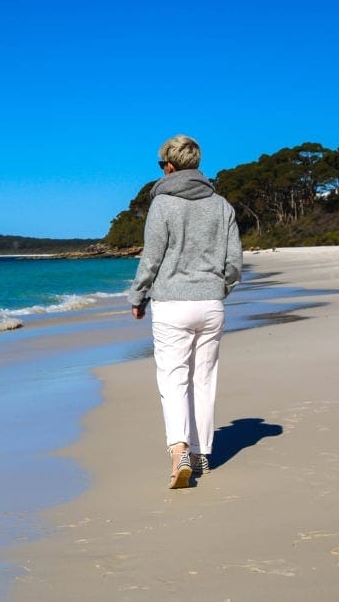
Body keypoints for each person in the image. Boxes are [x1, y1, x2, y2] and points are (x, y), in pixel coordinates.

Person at [128, 134, 243, 489]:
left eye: (162, 163)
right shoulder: (221, 205)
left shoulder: (162, 204)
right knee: (203, 378)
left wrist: (138, 296)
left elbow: (152, 258)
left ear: (171, 165)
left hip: (171, 305)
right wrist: (217, 290)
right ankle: (199, 453)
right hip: (210, 304)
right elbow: (234, 262)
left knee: (173, 378)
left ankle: (178, 450)